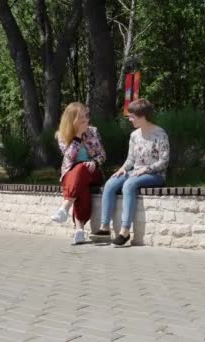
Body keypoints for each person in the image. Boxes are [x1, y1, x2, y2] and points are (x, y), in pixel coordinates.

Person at [93, 99, 170, 247]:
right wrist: (122, 169)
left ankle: (125, 231)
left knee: (129, 185)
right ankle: (104, 228)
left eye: (132, 116)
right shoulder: (134, 135)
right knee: (110, 183)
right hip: (136, 171)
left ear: (142, 116)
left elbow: (164, 161)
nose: (129, 119)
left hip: (155, 174)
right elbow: (130, 160)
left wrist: (146, 169)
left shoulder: (160, 134)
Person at [51, 102, 106, 244]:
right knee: (80, 182)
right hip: (72, 173)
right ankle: (79, 231)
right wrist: (77, 136)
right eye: (81, 117)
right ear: (72, 119)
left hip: (93, 172)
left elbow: (102, 155)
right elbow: (70, 157)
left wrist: (94, 162)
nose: (85, 120)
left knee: (81, 170)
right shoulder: (61, 135)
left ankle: (65, 207)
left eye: (86, 116)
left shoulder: (93, 131)